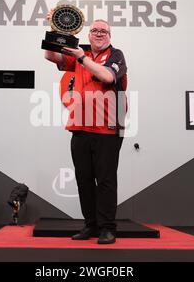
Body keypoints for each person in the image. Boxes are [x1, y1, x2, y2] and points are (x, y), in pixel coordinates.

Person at [44, 13, 128, 244]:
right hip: (80, 126)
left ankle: (107, 228)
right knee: (84, 179)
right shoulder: (80, 51)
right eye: (95, 30)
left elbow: (106, 76)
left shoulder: (116, 55)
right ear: (88, 34)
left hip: (109, 129)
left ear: (109, 36)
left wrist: (82, 58)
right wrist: (55, 28)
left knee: (106, 180)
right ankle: (90, 225)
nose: (99, 34)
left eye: (103, 31)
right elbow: (50, 55)